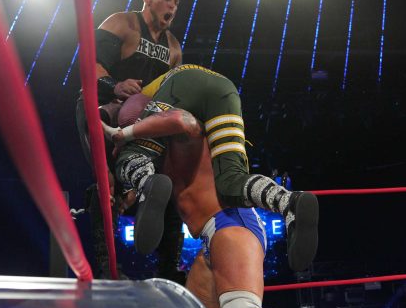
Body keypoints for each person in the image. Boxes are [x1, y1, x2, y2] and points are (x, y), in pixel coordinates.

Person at [107, 95, 316, 308]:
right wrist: (121, 194)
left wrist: (125, 132)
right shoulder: (155, 159)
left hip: (232, 223)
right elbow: (134, 194)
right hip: (211, 236)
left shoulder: (185, 130)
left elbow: (183, 121)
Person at [105, 64, 319, 272]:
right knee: (231, 180)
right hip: (226, 90)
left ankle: (146, 182)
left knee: (131, 152)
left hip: (182, 85)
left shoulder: (135, 99)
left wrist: (123, 134)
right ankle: (288, 202)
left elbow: (175, 118)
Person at [77, 0, 183, 280]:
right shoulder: (121, 23)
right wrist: (115, 85)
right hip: (102, 109)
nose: (172, 6)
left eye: (176, 2)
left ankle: (169, 269)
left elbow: (171, 93)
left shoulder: (173, 48)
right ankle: (105, 268)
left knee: (166, 183)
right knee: (107, 182)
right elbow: (89, 64)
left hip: (142, 121)